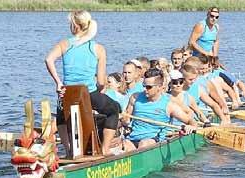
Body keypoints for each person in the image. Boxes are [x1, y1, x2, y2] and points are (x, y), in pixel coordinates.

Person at [45, 10, 120, 156]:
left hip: (67, 93)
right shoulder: (98, 48)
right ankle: (105, 149)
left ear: (75, 26)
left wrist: (58, 83)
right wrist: (101, 89)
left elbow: (48, 60)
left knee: (61, 118)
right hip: (89, 93)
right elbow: (100, 81)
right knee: (113, 110)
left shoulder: (65, 44)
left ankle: (69, 152)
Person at [121, 68, 197, 150]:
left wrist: (191, 127)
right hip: (132, 138)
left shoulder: (169, 104)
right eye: (144, 86)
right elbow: (126, 121)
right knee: (124, 145)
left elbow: (191, 121)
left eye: (149, 87)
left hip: (153, 140)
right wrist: (122, 118)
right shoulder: (135, 97)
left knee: (144, 144)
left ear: (159, 87)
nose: (145, 89)